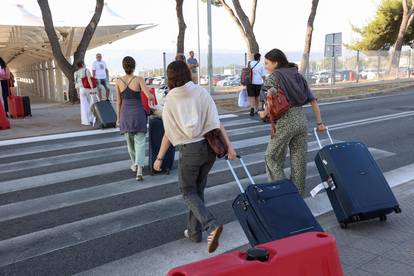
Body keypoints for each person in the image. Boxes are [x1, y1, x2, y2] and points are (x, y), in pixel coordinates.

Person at [153, 61, 237, 253]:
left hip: (189, 150)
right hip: (209, 149)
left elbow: (168, 131)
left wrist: (159, 158)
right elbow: (216, 123)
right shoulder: (201, 92)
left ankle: (211, 225)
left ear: (170, 77)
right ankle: (194, 232)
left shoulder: (171, 99)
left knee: (187, 191)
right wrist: (230, 148)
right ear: (188, 73)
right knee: (197, 191)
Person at [258, 48, 327, 196]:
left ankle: (283, 193)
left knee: (271, 157)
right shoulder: (297, 75)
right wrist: (320, 123)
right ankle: (298, 195)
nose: (265, 66)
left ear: (276, 63)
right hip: (301, 120)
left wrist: (263, 113)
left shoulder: (274, 76)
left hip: (285, 120)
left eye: (267, 63)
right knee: (299, 160)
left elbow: (270, 98)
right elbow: (313, 100)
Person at [116, 56, 154, 181]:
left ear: (123, 66)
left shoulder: (118, 81)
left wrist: (118, 118)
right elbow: (149, 95)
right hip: (138, 113)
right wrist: (151, 102)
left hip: (125, 114)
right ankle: (139, 169)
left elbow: (118, 102)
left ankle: (135, 164)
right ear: (134, 66)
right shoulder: (139, 79)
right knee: (140, 142)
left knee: (130, 142)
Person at [74, 60, 97, 126]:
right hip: (87, 89)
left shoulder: (75, 73)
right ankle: (92, 119)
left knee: (83, 106)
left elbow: (76, 83)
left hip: (81, 90)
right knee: (91, 104)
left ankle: (85, 121)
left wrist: (77, 92)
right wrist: (92, 88)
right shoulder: (86, 70)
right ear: (82, 64)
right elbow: (89, 79)